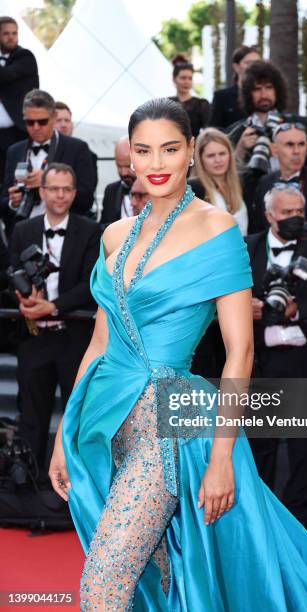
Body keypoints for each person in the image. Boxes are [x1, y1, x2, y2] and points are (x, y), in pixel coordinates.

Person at [49, 98, 307, 610]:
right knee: (153, 588)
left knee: (101, 588)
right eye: (144, 151)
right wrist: (63, 434)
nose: (156, 164)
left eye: (170, 149)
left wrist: (222, 455)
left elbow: (239, 353)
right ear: (129, 159)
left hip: (171, 427)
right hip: (103, 420)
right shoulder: (115, 234)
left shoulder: (217, 228)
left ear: (191, 154)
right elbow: (99, 341)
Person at [246, 184, 307, 525]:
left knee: (303, 443)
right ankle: (259, 515)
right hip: (260, 360)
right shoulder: (248, 246)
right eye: (287, 213)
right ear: (269, 214)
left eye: (299, 212)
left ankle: (298, 516)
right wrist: (246, 307)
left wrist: (296, 309)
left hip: (302, 357)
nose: (295, 219)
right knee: (262, 443)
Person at [9, 162, 100, 472]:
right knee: (32, 416)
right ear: (42, 191)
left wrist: (54, 306)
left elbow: (91, 283)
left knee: (78, 415)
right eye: (54, 189)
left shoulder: (90, 230)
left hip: (73, 339)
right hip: (33, 338)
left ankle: (76, 490)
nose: (60, 195)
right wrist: (23, 299)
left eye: (66, 189)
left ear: (74, 194)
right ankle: (29, 489)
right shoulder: (22, 230)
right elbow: (11, 275)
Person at [0, 89, 97, 235]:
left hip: (65, 236)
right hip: (22, 235)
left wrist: (48, 182)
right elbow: (4, 199)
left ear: (54, 117)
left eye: (42, 121)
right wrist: (12, 202)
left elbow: (86, 199)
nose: (36, 127)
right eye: (30, 122)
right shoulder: (14, 151)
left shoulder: (77, 148)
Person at [227, 60, 307, 177]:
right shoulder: (237, 132)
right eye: (257, 89)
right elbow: (228, 180)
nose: (264, 95)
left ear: (277, 90)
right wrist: (240, 150)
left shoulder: (297, 124)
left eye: (269, 88)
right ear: (248, 93)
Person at [252, 123, 307, 233]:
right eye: (289, 144)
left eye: (301, 144)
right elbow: (256, 229)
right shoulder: (263, 183)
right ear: (274, 150)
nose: (296, 151)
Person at [0, 16, 39, 183]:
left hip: (17, 132)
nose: (11, 37)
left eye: (14, 33)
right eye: (6, 33)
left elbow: (6, 75)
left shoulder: (25, 57)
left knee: (16, 178)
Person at [189, 127, 248, 235]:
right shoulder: (193, 189)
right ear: (200, 159)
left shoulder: (242, 183)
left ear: (230, 155)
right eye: (211, 156)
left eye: (222, 154)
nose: (218, 160)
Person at [209, 44, 260, 130]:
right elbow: (214, 132)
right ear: (236, 67)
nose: (254, 67)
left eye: (258, 63)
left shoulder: (266, 96)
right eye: (248, 63)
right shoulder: (222, 97)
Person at [169, 54, 210, 138]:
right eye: (183, 78)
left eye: (190, 78)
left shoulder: (201, 104)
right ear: (174, 79)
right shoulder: (166, 104)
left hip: (195, 148)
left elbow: (208, 132)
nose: (187, 82)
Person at [100, 136, 137, 224]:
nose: (123, 173)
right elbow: (104, 227)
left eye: (129, 166)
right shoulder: (111, 191)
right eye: (119, 166)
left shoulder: (157, 192)